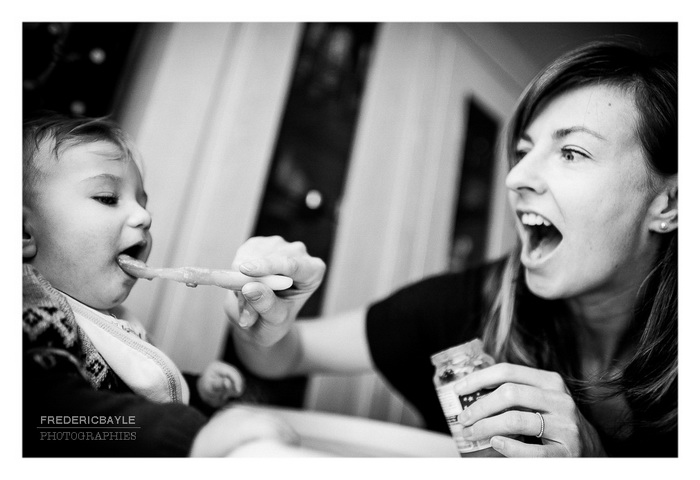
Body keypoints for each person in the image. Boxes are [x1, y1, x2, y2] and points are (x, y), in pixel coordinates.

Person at [224, 39, 678, 457]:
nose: (514, 178)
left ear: (669, 203)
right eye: (522, 152)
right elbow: (288, 354)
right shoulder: (470, 304)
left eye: (572, 153)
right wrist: (267, 324)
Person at [22, 113, 299, 456]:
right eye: (108, 197)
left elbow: (128, 397)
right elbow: (50, 414)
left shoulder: (109, 319)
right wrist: (187, 436)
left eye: (142, 201)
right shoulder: (29, 306)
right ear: (22, 232)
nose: (144, 216)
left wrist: (196, 391)